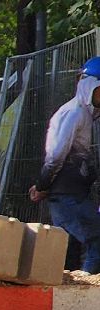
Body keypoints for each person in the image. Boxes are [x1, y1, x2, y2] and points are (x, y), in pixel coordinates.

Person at [29, 58, 100, 274]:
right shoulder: (75, 112)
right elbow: (56, 155)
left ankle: (74, 294)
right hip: (65, 197)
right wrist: (42, 186)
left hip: (73, 195)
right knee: (96, 242)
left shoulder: (88, 115)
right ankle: (86, 296)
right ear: (87, 85)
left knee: (73, 250)